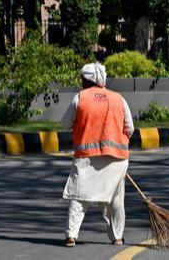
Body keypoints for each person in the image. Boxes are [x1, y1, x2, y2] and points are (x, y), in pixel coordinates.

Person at [63, 62, 133, 247]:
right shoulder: (119, 99)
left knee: (79, 197)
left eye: (82, 79)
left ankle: (71, 235)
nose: (81, 82)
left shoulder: (80, 98)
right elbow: (130, 128)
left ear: (87, 81)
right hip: (116, 158)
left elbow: (66, 123)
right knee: (115, 200)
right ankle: (117, 237)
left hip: (87, 158)